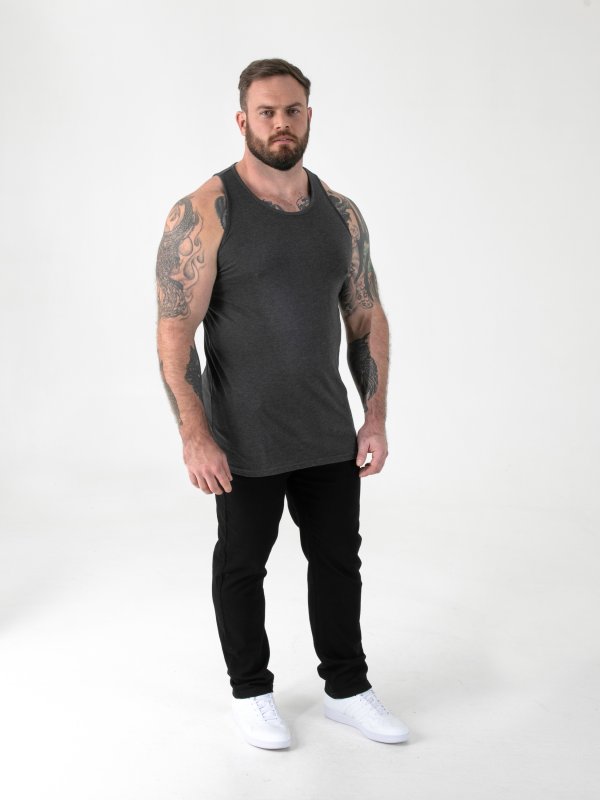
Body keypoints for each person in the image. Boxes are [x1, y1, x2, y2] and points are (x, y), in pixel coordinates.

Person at [155, 58, 410, 749]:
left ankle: (347, 689)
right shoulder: (205, 211)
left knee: (339, 561)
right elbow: (175, 333)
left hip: (326, 428)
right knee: (242, 564)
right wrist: (195, 435)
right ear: (243, 120)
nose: (280, 123)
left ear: (308, 116)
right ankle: (251, 692)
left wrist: (375, 417)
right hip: (244, 436)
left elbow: (365, 316)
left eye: (292, 110)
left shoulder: (340, 214)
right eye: (266, 112)